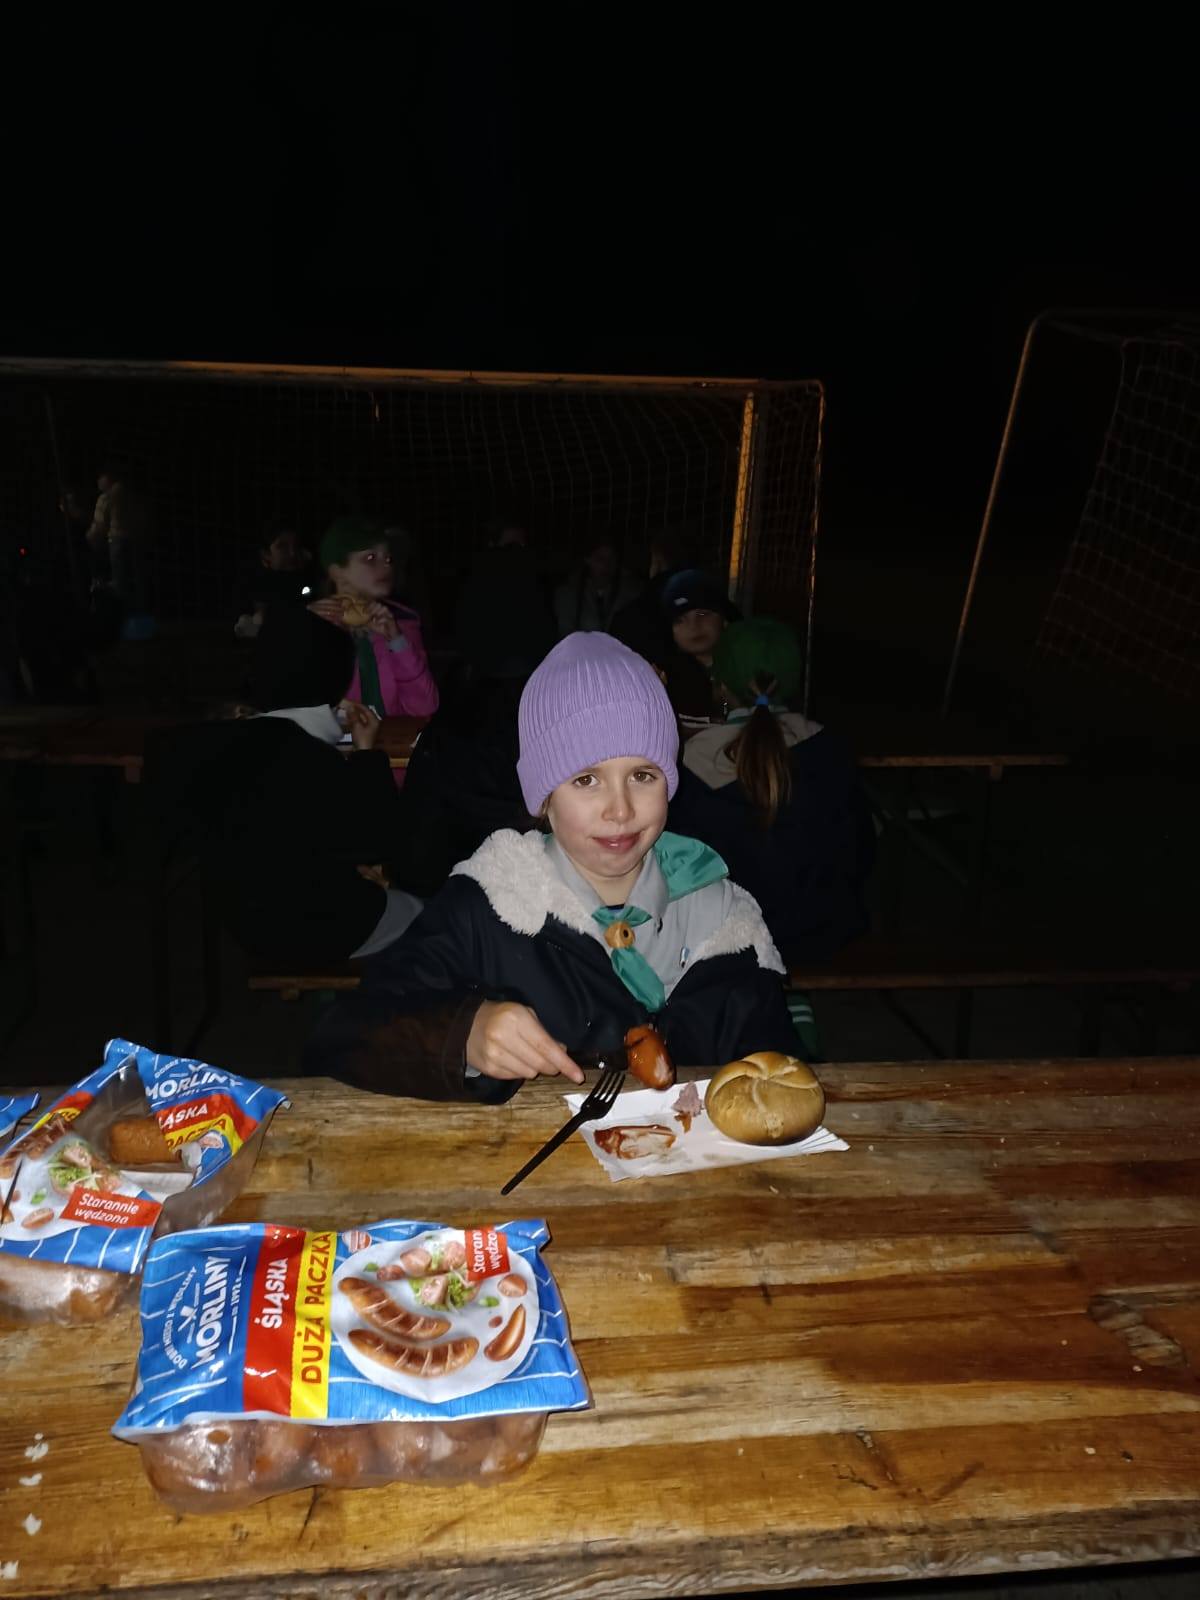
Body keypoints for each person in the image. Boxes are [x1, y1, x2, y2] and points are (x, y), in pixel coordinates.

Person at [305, 631, 800, 1101]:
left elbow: (780, 1071)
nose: (620, 810)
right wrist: (463, 1032)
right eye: (586, 780)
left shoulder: (723, 921)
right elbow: (342, 1034)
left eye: (643, 775)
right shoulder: (490, 906)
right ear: (543, 798)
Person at [146, 605, 422, 969]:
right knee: (425, 912)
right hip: (326, 929)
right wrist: (367, 754)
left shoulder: (209, 747)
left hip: (247, 928)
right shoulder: (310, 758)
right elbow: (381, 839)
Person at [669, 617, 874, 967]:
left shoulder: (691, 763)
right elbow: (863, 850)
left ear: (720, 684)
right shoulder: (831, 749)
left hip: (731, 943)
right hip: (825, 933)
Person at [309, 515, 439, 721]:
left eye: (388, 559)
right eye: (370, 558)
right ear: (337, 571)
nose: (386, 567)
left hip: (393, 740)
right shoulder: (313, 622)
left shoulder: (401, 622)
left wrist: (397, 643)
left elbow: (424, 707)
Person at [657, 567, 738, 724]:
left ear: (724, 618)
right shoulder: (665, 678)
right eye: (680, 619)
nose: (694, 626)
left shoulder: (745, 669)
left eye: (703, 614)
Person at [86, 462, 153, 612]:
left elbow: (100, 524)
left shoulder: (107, 497)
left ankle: (122, 611)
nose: (98, 482)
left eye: (100, 478)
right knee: (139, 577)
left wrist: (90, 536)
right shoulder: (134, 495)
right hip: (138, 539)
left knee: (120, 579)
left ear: (108, 478)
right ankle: (141, 610)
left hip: (117, 540)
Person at [233, 528, 316, 639]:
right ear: (266, 554)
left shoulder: (308, 579)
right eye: (282, 546)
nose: (292, 553)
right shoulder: (255, 584)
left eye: (296, 546)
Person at [553, 538, 640, 636]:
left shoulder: (629, 593)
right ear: (588, 560)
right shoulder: (568, 594)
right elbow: (566, 633)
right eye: (600, 559)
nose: (606, 565)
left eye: (612, 559)